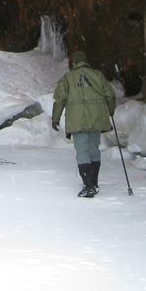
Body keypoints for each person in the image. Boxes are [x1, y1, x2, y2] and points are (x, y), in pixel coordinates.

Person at [51, 45, 116, 197]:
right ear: (86, 62)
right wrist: (110, 110)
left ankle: (88, 186)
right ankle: (94, 183)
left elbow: (59, 99)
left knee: (82, 151)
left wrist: (56, 118)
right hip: (96, 119)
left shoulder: (68, 78)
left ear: (74, 63)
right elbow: (110, 95)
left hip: (77, 121)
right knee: (94, 150)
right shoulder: (98, 75)